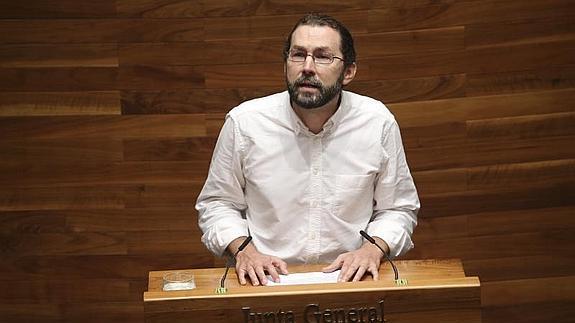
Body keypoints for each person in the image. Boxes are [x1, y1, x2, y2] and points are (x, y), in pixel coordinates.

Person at [196, 13, 419, 286]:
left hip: (351, 282)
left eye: (323, 56)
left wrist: (372, 249)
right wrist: (245, 251)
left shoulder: (377, 122)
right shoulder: (245, 123)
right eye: (298, 54)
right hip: (264, 281)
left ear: (348, 72)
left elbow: (398, 208)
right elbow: (218, 204)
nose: (307, 67)